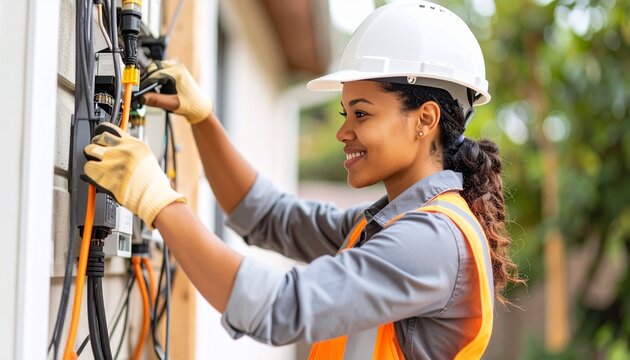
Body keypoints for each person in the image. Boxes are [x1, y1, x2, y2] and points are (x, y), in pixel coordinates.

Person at [83, 1, 522, 359]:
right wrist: (203, 119)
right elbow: (270, 216)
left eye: (362, 114)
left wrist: (157, 201)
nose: (343, 132)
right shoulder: (394, 225)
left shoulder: (430, 240)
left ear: (424, 120)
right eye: (344, 113)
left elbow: (280, 306)